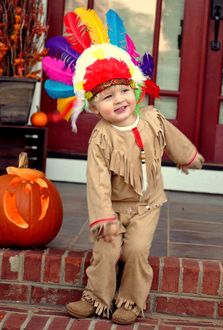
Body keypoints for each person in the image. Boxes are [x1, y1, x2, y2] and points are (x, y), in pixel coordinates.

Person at [43, 8, 204, 325]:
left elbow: (172, 137)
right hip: (113, 206)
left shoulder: (152, 118)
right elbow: (97, 179)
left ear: (135, 90)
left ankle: (130, 301)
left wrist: (188, 157)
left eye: (124, 91)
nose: (118, 100)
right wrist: (104, 217)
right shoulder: (101, 138)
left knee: (134, 253)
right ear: (92, 105)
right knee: (106, 250)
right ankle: (97, 298)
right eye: (107, 96)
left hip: (147, 205)